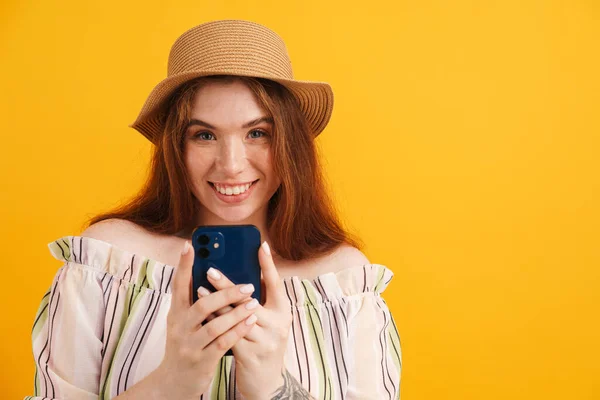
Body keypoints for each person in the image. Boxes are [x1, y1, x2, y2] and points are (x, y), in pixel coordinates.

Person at [25, 20, 402, 400]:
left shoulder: (347, 289)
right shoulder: (106, 264)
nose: (232, 164)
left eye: (258, 133)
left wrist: (273, 387)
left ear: (289, 142)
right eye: (204, 135)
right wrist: (172, 381)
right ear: (176, 146)